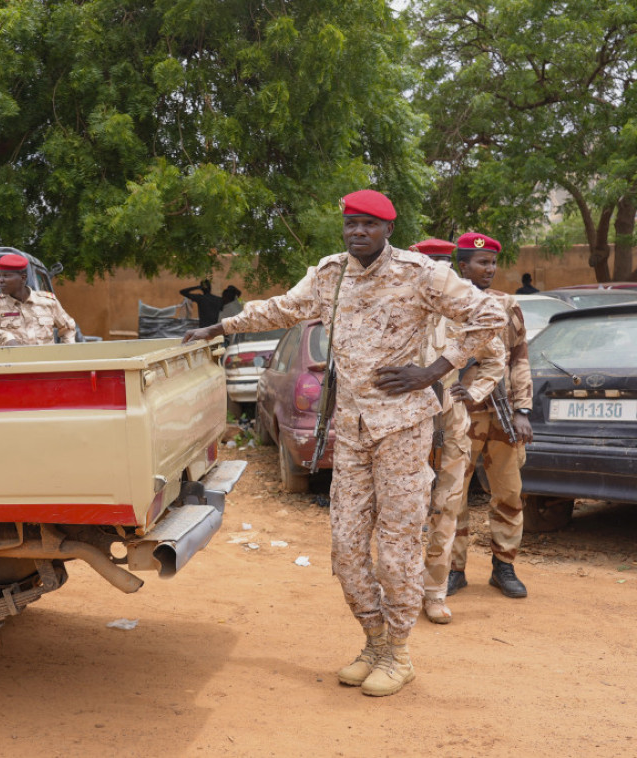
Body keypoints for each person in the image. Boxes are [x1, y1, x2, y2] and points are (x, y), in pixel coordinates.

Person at [183, 190, 506, 696]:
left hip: (403, 427)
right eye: (351, 224)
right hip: (351, 430)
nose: (358, 233)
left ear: (388, 230)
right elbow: (283, 308)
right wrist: (221, 326)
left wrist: (433, 371)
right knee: (346, 548)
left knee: (397, 549)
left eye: (369, 225)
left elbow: (490, 317)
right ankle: (373, 641)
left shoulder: (421, 273)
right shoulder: (331, 275)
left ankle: (398, 653)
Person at [412, 239, 506, 625]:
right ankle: (401, 589)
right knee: (402, 510)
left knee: (448, 506)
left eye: (442, 267)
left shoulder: (465, 311)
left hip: (451, 422)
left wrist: (473, 392)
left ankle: (434, 593)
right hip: (407, 422)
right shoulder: (402, 309)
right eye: (430, 266)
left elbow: (495, 358)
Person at [447, 233, 533, 601]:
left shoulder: (508, 305)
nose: (490, 269)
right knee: (452, 496)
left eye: (493, 263)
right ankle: (453, 569)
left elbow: (519, 360)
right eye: (482, 263)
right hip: (458, 417)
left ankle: (504, 567)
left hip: (501, 416)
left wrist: (523, 410)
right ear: (462, 266)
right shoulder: (445, 305)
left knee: (509, 494)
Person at [0, 254, 77, 346]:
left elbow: (68, 328)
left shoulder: (48, 302)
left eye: (6, 276)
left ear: (23, 278)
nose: (0, 280)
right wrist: (5, 338)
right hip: (13, 365)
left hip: (45, 364)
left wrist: (66, 351)